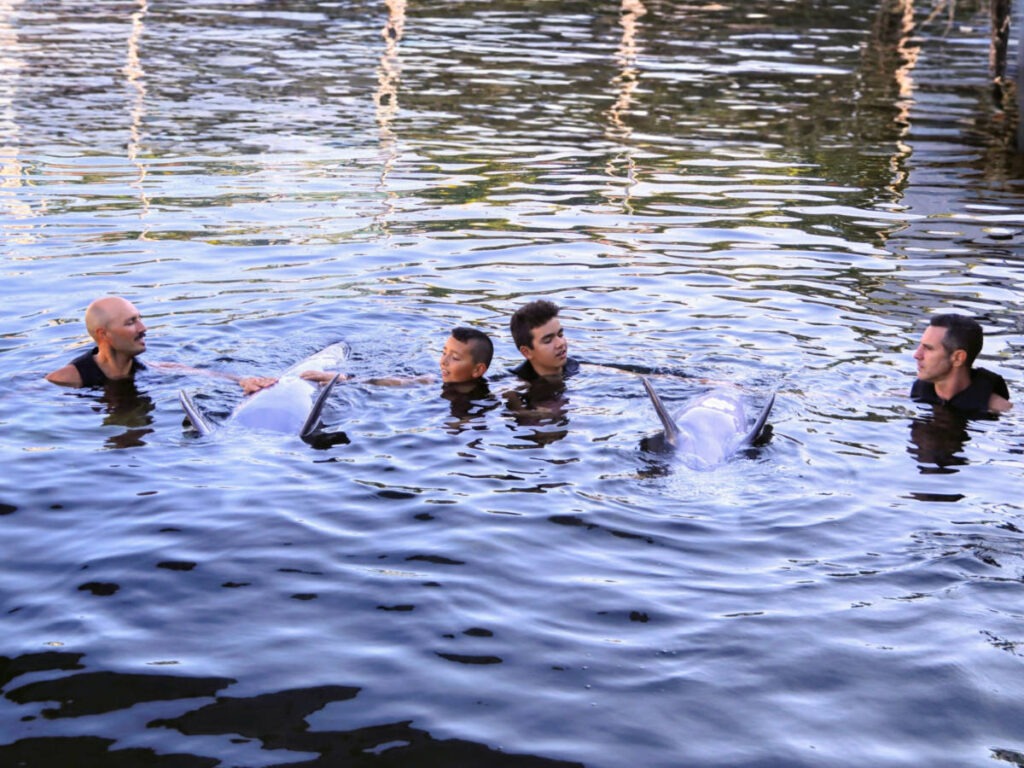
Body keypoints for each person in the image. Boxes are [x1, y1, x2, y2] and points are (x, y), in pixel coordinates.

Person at [45, 296, 275, 394]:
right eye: (131, 322)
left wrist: (243, 380)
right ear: (103, 334)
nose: (143, 328)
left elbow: (195, 372)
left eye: (140, 318)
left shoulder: (146, 369)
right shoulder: (65, 379)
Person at [301, 326, 493, 390]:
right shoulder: (432, 380)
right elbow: (398, 382)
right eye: (444, 353)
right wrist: (342, 379)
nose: (443, 362)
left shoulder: (496, 394)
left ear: (478, 370)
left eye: (455, 358)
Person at [911, 313, 1012, 414]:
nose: (917, 355)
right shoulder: (917, 393)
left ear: (958, 358)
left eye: (928, 348)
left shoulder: (1001, 409)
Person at [508, 299, 578, 381]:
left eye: (560, 335)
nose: (560, 343)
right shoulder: (513, 387)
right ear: (526, 352)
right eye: (548, 340)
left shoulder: (578, 368)